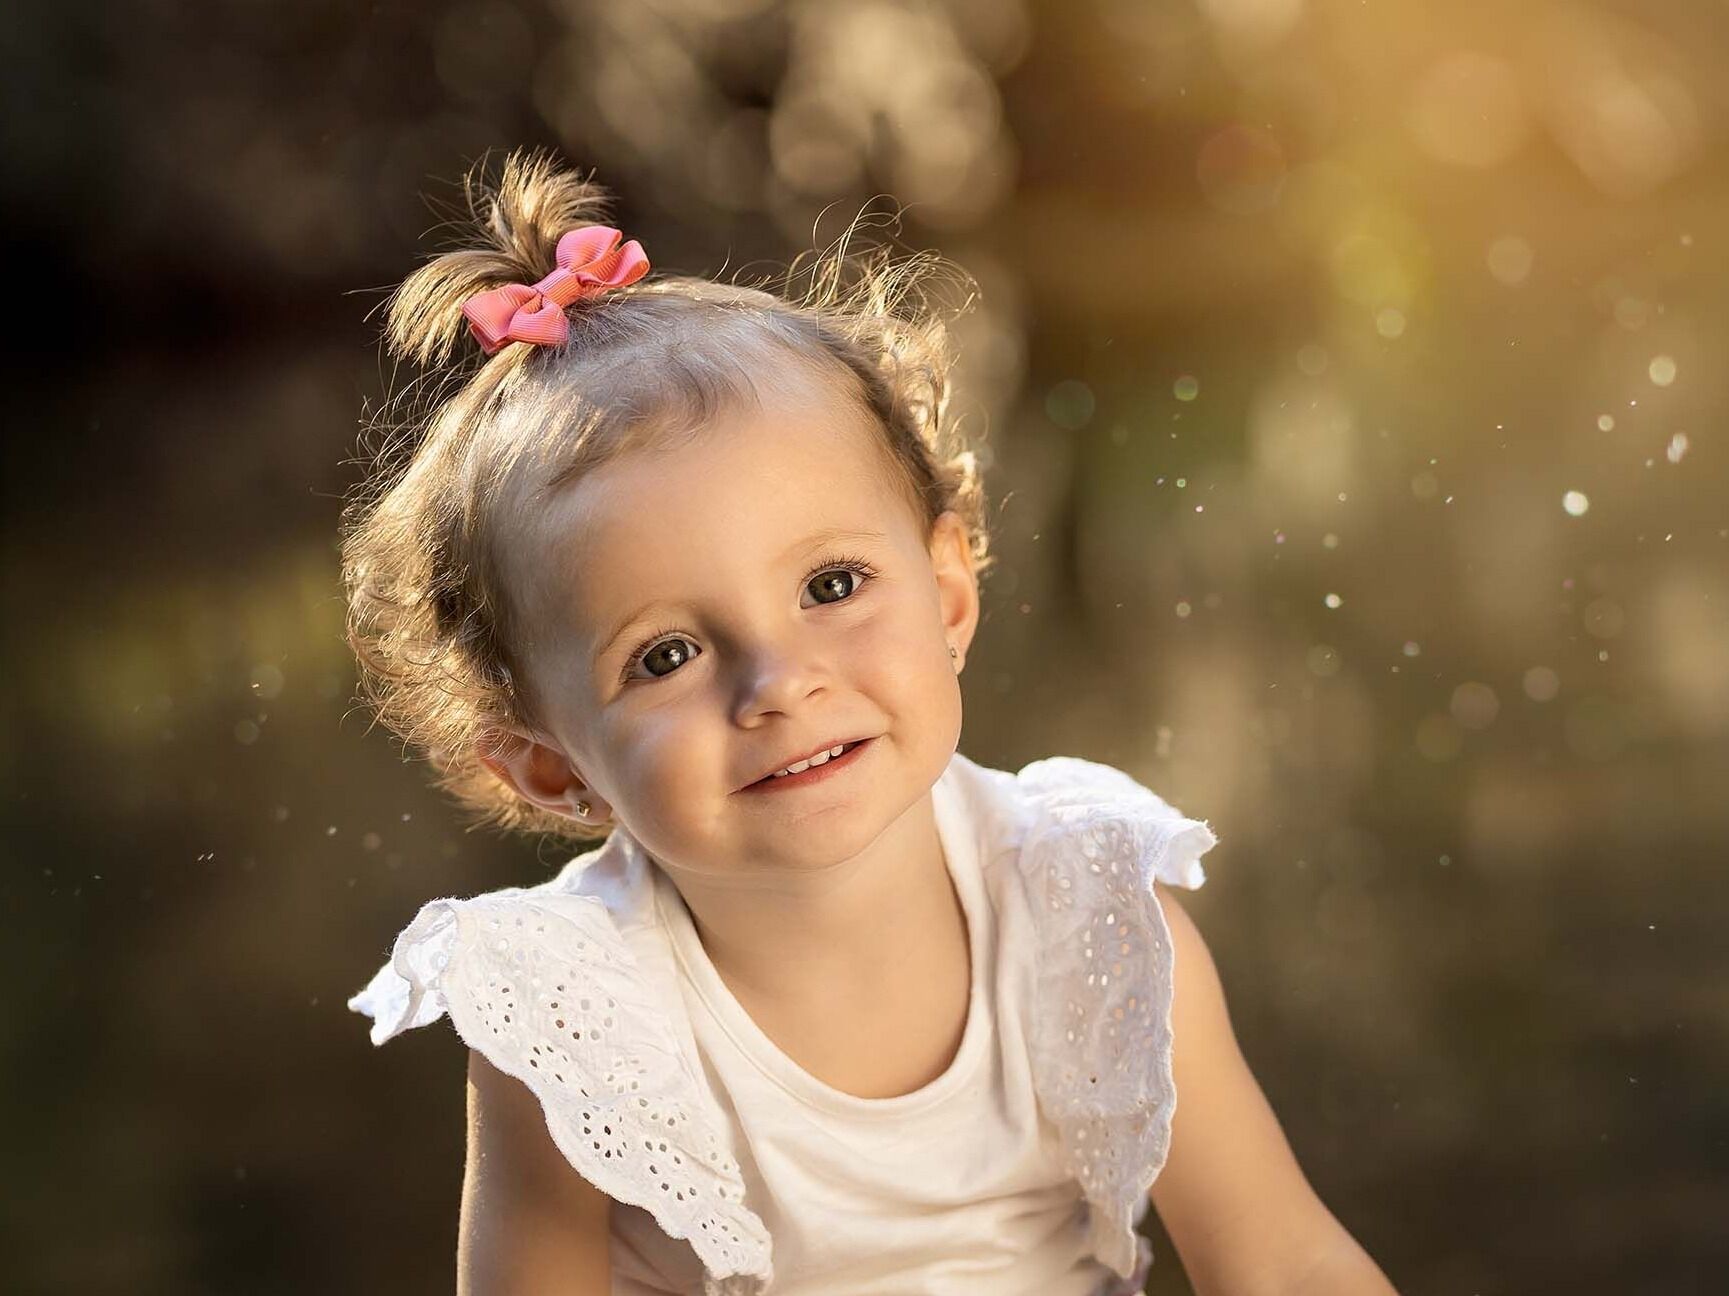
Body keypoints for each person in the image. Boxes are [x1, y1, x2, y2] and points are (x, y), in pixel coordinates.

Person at [345, 149, 1397, 1296]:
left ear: (948, 595)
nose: (778, 684)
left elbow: (1285, 1261)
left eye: (832, 586)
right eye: (666, 656)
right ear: (550, 768)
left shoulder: (1086, 906)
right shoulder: (577, 1014)